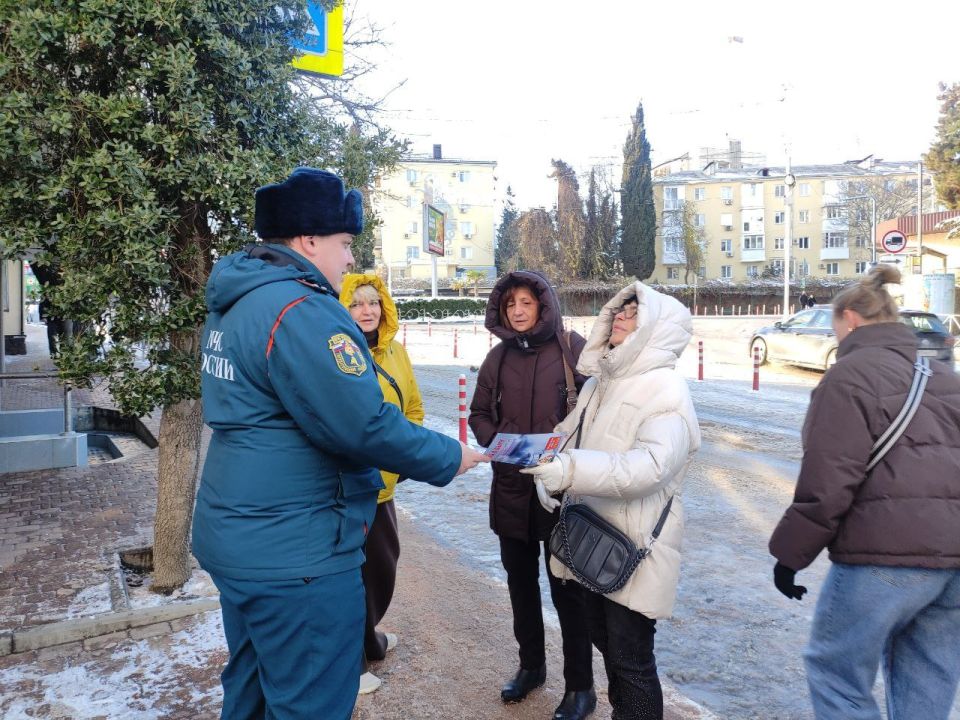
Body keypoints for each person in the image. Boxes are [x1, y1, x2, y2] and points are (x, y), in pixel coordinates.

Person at [191, 167, 489, 720]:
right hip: (296, 551)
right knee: (310, 702)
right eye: (345, 243)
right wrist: (451, 455)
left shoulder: (235, 302)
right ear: (308, 240)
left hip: (238, 533)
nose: (350, 260)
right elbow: (363, 424)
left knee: (253, 688)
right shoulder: (300, 310)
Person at [769, 264, 960, 720]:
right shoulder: (944, 379)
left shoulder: (848, 377)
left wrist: (790, 555)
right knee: (927, 679)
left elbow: (829, 479)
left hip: (882, 559)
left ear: (850, 318)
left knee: (836, 673)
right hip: (953, 563)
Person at [523, 282, 701, 720]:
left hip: (636, 545)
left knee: (631, 660)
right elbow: (567, 434)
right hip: (592, 538)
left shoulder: (666, 390)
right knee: (609, 647)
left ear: (656, 329)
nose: (620, 316)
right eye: (620, 310)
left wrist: (570, 470)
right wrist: (544, 465)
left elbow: (651, 467)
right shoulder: (600, 383)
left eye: (634, 313)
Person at [468, 270, 596, 720]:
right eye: (511, 305)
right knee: (521, 587)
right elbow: (478, 414)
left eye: (527, 303)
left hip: (561, 492)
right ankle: (531, 668)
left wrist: (564, 452)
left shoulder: (571, 349)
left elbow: (594, 412)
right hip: (510, 488)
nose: (519, 311)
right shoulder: (497, 358)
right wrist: (499, 441)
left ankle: (581, 687)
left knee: (568, 593)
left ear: (544, 305)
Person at [339, 273, 422, 695]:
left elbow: (414, 409)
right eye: (355, 303)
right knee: (348, 577)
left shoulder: (396, 353)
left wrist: (406, 457)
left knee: (381, 570)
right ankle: (350, 666)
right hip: (348, 488)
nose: (366, 311)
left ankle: (370, 639)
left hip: (385, 488)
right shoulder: (337, 356)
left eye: (373, 302)